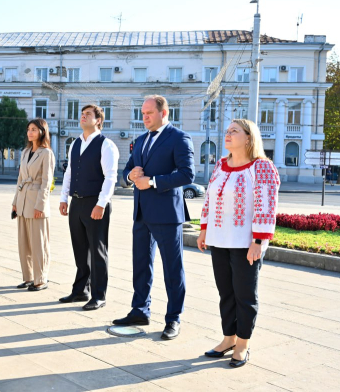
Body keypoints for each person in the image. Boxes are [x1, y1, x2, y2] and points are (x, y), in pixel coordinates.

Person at [197, 119, 280, 368]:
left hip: (246, 243)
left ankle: (242, 344)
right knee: (226, 293)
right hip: (219, 240)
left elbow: (267, 206)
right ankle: (228, 339)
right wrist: (203, 230)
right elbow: (209, 200)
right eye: (227, 131)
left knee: (245, 295)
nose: (228, 134)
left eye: (234, 131)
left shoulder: (262, 167)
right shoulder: (221, 165)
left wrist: (258, 241)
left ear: (249, 137)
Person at [115, 95, 195, 340]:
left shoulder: (179, 138)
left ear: (164, 112)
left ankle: (173, 319)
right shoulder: (140, 140)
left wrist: (151, 181)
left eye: (149, 112)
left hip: (167, 214)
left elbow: (187, 174)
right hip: (141, 214)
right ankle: (140, 310)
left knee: (172, 269)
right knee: (141, 265)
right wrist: (131, 176)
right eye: (142, 113)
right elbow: (126, 172)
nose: (145, 117)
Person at [59, 105, 119, 310]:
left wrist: (101, 204)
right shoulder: (75, 143)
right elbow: (69, 173)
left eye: (88, 115)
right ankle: (80, 291)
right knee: (80, 249)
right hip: (76, 202)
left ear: (98, 120)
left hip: (95, 203)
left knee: (98, 250)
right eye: (82, 114)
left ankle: (99, 295)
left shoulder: (106, 145)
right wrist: (64, 198)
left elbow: (111, 177)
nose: (83, 117)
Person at [12, 118, 55, 291]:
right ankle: (29, 277)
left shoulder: (47, 153)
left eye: (34, 130)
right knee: (24, 243)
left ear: (42, 132)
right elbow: (20, 179)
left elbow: (46, 182)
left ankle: (41, 279)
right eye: (28, 129)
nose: (30, 132)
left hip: (37, 202)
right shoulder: (25, 152)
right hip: (22, 202)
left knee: (39, 243)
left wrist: (41, 205)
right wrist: (15, 202)